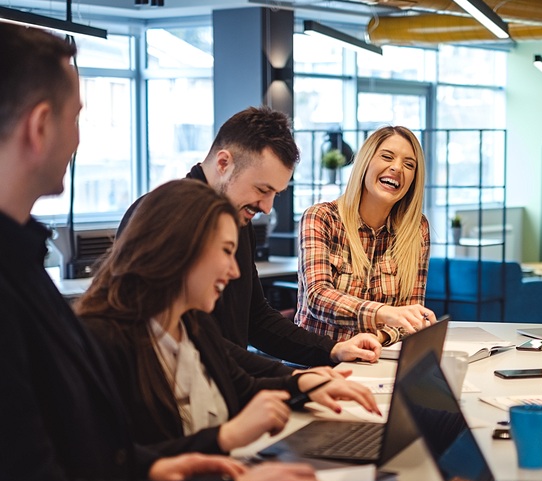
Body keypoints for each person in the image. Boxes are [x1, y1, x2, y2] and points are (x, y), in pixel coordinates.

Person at [0, 24, 329, 481]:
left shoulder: (21, 261)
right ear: (39, 125)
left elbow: (82, 453)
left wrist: (155, 466)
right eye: (77, 116)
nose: (80, 139)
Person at [77, 179, 378, 456]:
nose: (234, 272)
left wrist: (305, 384)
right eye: (225, 251)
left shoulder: (193, 325)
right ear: (179, 248)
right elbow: (119, 464)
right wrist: (226, 437)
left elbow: (243, 387)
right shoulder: (103, 343)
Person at [118, 107, 382, 377]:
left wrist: (332, 349)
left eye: (275, 194)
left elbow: (256, 319)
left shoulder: (237, 218)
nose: (266, 207)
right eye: (262, 189)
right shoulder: (161, 217)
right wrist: (292, 379)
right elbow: (193, 342)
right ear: (223, 163)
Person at [296, 126, 436, 345]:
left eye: (409, 165)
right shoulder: (322, 217)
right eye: (387, 157)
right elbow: (318, 297)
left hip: (376, 360)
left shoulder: (417, 229)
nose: (397, 168)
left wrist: (377, 337)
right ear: (365, 162)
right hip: (318, 363)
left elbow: (411, 317)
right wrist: (383, 313)